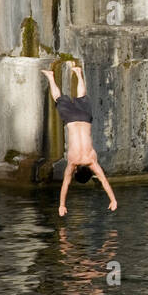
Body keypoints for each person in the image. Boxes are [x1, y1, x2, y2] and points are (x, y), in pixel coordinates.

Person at [42, 65, 117, 216]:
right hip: (71, 120)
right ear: (76, 171)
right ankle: (50, 76)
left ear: (89, 171)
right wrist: (62, 205)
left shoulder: (92, 161)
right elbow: (65, 184)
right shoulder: (73, 162)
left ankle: (78, 73)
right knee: (58, 98)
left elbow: (104, 182)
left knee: (82, 98)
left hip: (85, 119)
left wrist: (113, 200)